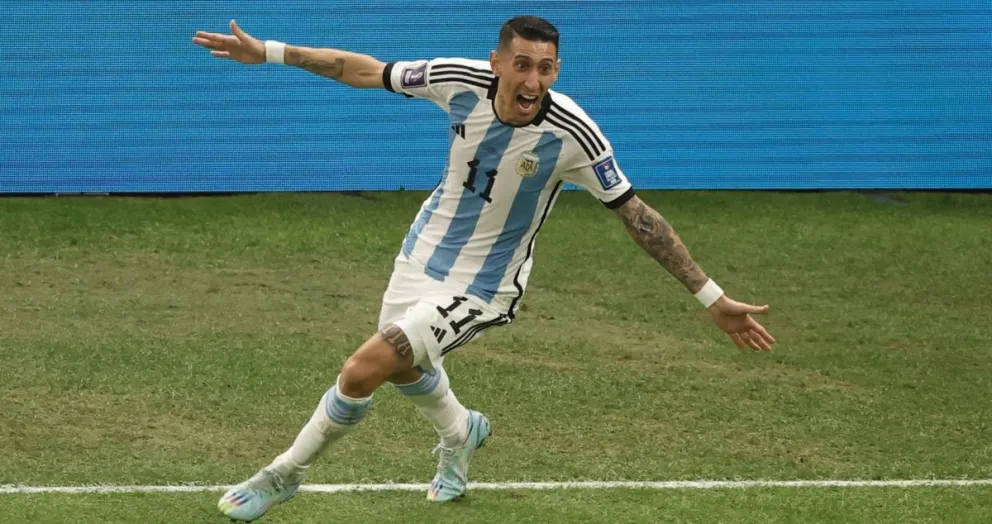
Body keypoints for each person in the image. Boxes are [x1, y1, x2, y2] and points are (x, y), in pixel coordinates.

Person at [193, 15, 776, 522]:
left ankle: (282, 475)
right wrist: (269, 52)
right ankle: (461, 430)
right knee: (401, 368)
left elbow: (638, 217)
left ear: (557, 69)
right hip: (422, 253)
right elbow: (362, 69)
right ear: (497, 62)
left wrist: (711, 297)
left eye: (545, 68)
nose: (533, 81)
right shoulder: (457, 81)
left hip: (485, 286)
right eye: (522, 65)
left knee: (364, 367)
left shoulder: (574, 134)